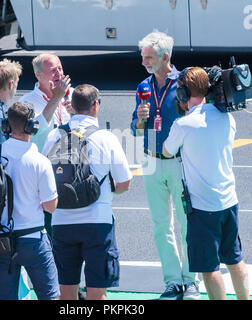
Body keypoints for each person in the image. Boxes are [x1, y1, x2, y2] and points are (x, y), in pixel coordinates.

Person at [163, 67, 250, 300]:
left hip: (203, 208)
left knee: (210, 268)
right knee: (234, 259)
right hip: (229, 201)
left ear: (182, 94)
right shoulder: (227, 118)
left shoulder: (184, 125)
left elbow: (167, 151)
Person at [42, 84, 133, 300]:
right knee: (97, 291)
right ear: (96, 106)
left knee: (66, 291)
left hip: (61, 222)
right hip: (97, 222)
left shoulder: (55, 134)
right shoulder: (106, 137)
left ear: (71, 106)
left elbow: (45, 174)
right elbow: (124, 183)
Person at [130, 30, 199, 300]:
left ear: (165, 57)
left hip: (180, 163)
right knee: (161, 225)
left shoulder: (185, 82)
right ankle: (172, 281)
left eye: (149, 57)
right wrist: (139, 119)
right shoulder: (143, 86)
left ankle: (191, 280)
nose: (144, 62)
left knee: (185, 224)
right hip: (151, 161)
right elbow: (135, 130)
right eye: (143, 57)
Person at [0, 102, 60, 300]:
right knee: (51, 296)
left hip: (1, 240)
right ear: (32, 127)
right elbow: (50, 207)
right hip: (34, 239)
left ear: (5, 126)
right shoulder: (40, 162)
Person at [19, 53, 73, 153]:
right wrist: (56, 98)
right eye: (53, 70)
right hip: (44, 162)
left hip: (70, 159)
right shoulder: (26, 102)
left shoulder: (72, 94)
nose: (59, 74)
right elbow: (34, 131)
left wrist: (77, 112)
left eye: (60, 68)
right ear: (38, 75)